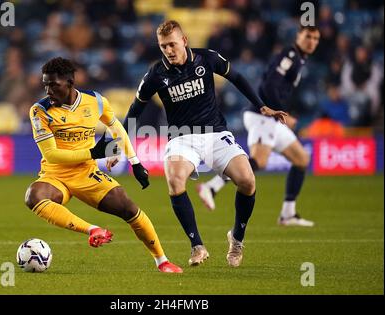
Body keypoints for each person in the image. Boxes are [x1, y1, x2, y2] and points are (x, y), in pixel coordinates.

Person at [121, 20, 286, 267]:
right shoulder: (156, 74)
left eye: (172, 45)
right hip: (181, 139)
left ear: (184, 41)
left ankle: (237, 239)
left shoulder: (206, 59)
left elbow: (238, 77)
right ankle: (197, 246)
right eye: (163, 46)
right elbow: (134, 111)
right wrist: (118, 146)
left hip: (215, 133)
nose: (168, 50)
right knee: (175, 180)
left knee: (247, 181)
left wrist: (261, 105)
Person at [24, 57, 182, 273]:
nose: (48, 90)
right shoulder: (39, 111)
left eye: (53, 85)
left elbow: (116, 127)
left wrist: (135, 162)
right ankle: (93, 230)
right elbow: (52, 155)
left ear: (70, 82)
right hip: (55, 175)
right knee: (34, 196)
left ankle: (162, 261)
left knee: (129, 209)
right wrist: (93, 152)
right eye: (45, 84)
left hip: (86, 173)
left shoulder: (96, 101)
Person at [198, 25, 320, 227]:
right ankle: (211, 186)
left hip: (269, 118)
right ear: (298, 35)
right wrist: (280, 112)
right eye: (308, 36)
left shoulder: (299, 58)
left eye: (316, 38)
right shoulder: (290, 54)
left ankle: (288, 214)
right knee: (259, 161)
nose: (312, 41)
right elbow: (270, 85)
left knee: (301, 158)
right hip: (262, 115)